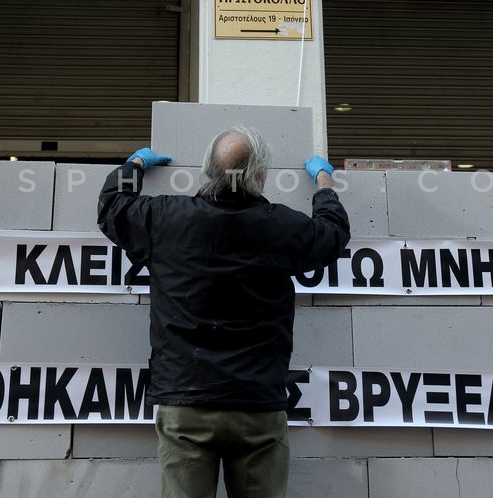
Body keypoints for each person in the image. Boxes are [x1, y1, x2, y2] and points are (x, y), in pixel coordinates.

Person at [97, 125, 350, 498]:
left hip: (186, 403)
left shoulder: (165, 218)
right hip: (258, 407)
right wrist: (325, 183)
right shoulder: (282, 227)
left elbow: (112, 206)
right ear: (261, 176)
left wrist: (135, 163)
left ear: (207, 171)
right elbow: (332, 232)